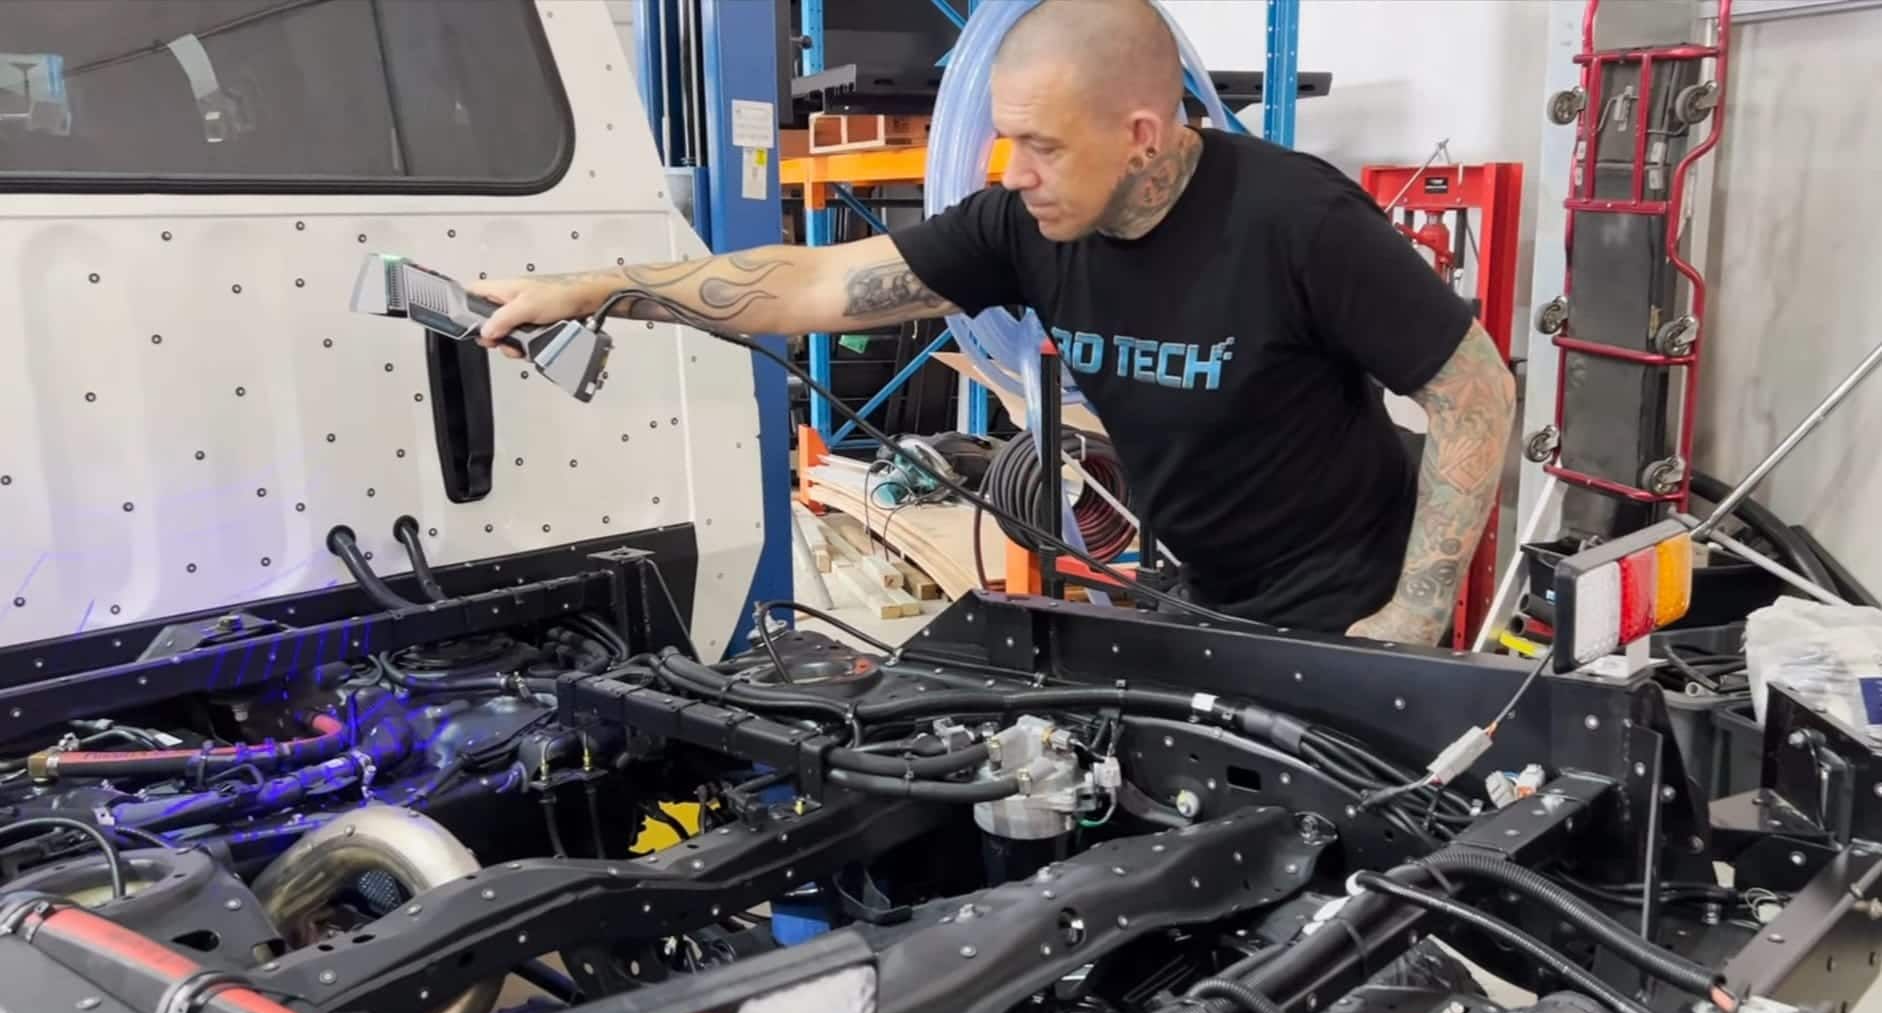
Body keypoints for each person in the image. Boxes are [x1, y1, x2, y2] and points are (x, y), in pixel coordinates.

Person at [474, 0, 1515, 647]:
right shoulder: (1024, 225)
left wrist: (1416, 616)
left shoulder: (1298, 222)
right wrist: (597, 288)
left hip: (1344, 609)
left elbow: (1473, 391)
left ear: (1142, 136)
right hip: (1204, 594)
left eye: (1042, 146)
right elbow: (817, 286)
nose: (1011, 172)